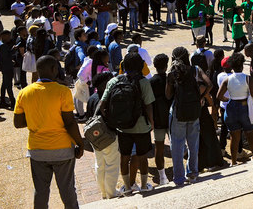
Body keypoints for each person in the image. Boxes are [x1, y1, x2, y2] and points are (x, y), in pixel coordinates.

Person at [13, 55, 84, 209]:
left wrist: (35, 120)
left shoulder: (24, 92)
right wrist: (80, 143)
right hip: (62, 150)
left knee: (41, 191)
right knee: (67, 190)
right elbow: (70, 123)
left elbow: (17, 123)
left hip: (37, 151)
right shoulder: (63, 91)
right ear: (53, 69)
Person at [100, 51, 155, 195]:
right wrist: (152, 122)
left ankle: (127, 187)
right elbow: (149, 105)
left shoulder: (114, 81)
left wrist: (112, 120)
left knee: (124, 157)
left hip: (122, 127)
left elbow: (102, 104)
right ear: (140, 66)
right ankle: (143, 185)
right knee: (142, 157)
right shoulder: (144, 82)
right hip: (141, 125)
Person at [166, 46, 210, 186]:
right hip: (194, 110)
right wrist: (200, 97)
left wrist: (169, 81)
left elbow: (168, 95)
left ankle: (179, 178)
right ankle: (192, 173)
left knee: (177, 145)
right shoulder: (196, 70)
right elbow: (209, 84)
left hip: (178, 112)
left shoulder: (173, 72)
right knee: (193, 144)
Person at [213, 52, 253, 165]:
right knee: (249, 133)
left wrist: (227, 100)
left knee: (234, 136)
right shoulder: (248, 78)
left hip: (231, 107)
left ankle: (233, 162)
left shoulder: (227, 79)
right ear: (242, 66)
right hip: (244, 106)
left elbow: (218, 96)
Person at [86, 71, 121, 199]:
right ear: (104, 85)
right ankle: (111, 193)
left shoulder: (91, 98)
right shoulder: (109, 98)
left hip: (95, 138)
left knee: (99, 164)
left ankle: (104, 193)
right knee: (111, 165)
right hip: (109, 136)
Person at [149, 54, 171, 186]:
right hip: (171, 117)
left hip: (157, 119)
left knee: (159, 147)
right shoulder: (170, 79)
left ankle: (162, 176)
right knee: (178, 145)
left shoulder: (151, 82)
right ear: (166, 65)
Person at [0, 29, 16, 108]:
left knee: (4, 84)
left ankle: (2, 101)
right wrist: (13, 50)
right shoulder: (3, 46)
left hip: (4, 67)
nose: (10, 38)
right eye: (8, 36)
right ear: (3, 36)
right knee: (8, 85)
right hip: (7, 67)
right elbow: (6, 57)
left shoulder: (0, 43)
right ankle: (13, 101)